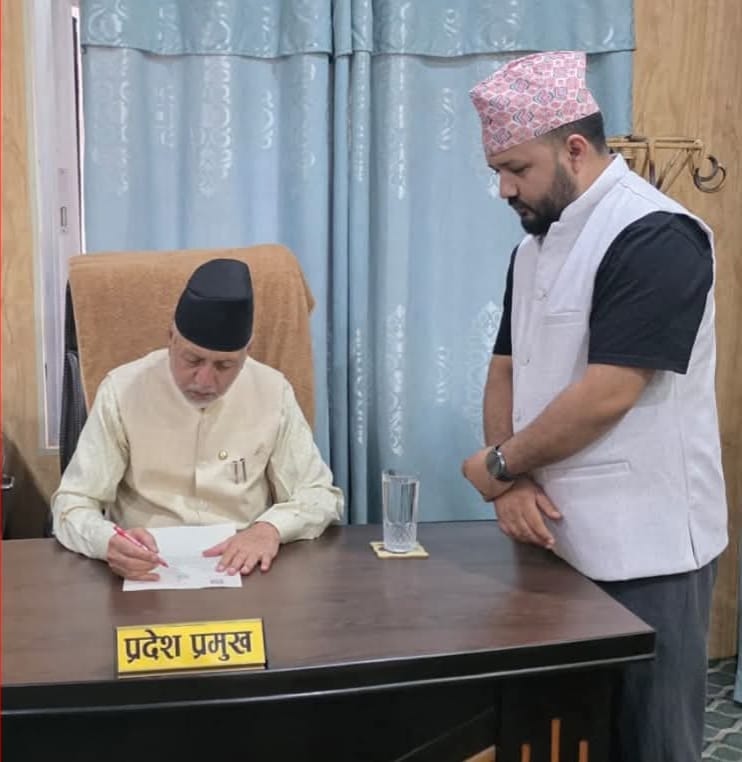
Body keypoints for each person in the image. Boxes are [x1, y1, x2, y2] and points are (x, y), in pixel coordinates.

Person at [461, 51, 727, 762]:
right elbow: (505, 367)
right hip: (553, 538)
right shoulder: (533, 249)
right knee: (565, 738)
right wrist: (512, 481)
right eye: (497, 171)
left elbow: (610, 390)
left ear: (574, 148)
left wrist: (498, 464)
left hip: (646, 548)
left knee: (650, 742)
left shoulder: (656, 234)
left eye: (516, 169)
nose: (504, 188)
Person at [52, 258, 344, 580]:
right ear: (171, 338)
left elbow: (320, 495)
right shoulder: (122, 390)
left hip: (244, 568)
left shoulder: (273, 391)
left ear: (247, 351)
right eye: (192, 360)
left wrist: (270, 529)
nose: (205, 381)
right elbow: (72, 502)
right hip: (146, 568)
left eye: (224, 366)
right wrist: (106, 542)